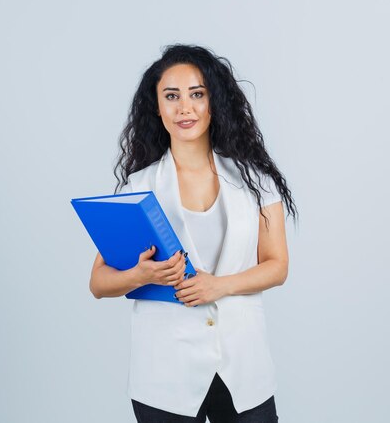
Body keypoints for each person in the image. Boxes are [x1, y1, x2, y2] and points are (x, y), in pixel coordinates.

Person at [89, 44, 298, 423]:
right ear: (157, 106)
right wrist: (142, 275)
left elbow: (277, 266)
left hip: (242, 367)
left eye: (197, 94)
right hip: (164, 374)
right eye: (172, 96)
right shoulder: (137, 187)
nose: (185, 108)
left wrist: (219, 285)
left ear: (213, 102)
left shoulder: (255, 181)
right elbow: (99, 282)